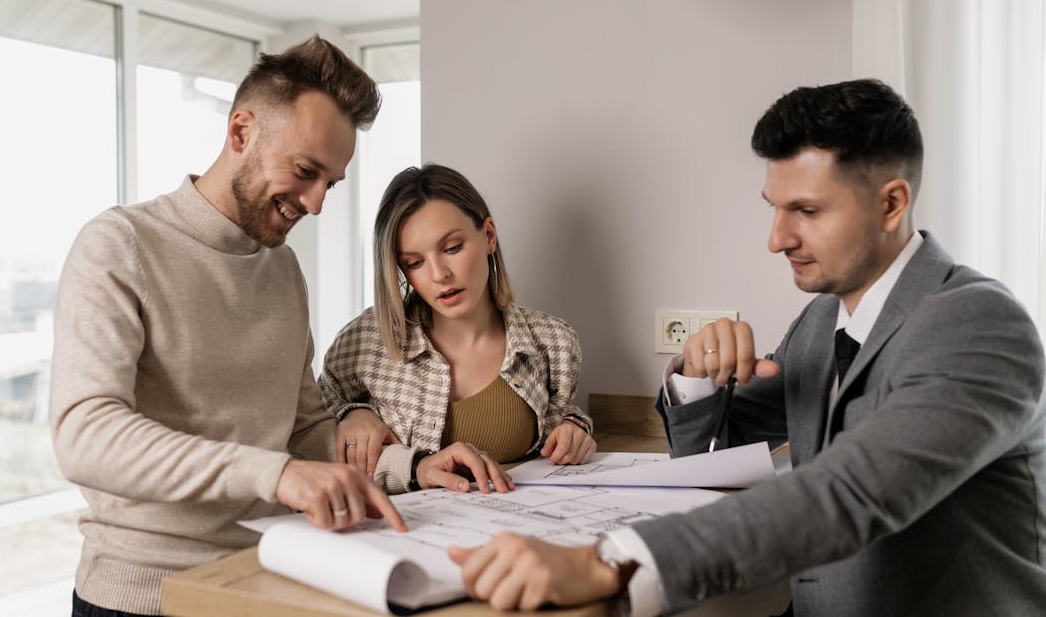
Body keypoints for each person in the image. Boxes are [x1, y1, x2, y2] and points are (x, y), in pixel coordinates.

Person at [448, 78, 1046, 615]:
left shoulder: (977, 324)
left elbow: (850, 494)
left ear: (891, 204)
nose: (777, 239)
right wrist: (699, 378)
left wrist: (606, 561)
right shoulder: (822, 320)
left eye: (806, 211)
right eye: (776, 209)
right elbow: (719, 456)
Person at [50, 37, 487, 617]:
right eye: (306, 172)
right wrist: (277, 474)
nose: (315, 204)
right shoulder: (120, 246)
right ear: (240, 133)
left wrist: (408, 466)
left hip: (267, 576)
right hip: (144, 596)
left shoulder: (281, 267)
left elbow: (303, 427)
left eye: (329, 183)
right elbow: (86, 433)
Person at [318, 164, 597, 495]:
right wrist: (351, 414)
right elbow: (312, 432)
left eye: (451, 248)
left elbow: (560, 417)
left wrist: (575, 429)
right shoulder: (364, 343)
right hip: (406, 534)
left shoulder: (555, 343)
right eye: (415, 263)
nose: (439, 275)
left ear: (489, 236)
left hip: (515, 532)